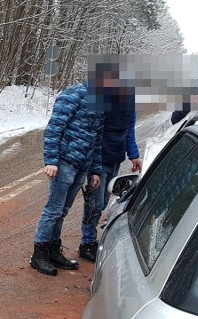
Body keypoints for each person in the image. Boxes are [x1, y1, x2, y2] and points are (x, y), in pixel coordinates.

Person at [30, 81, 103, 276]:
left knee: (62, 211)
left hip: (82, 165)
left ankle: (53, 250)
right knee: (53, 210)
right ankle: (39, 254)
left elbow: (97, 138)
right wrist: (51, 161)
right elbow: (54, 127)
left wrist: (94, 170)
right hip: (63, 162)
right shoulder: (73, 94)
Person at [78, 89, 142, 263]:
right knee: (94, 203)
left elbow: (129, 131)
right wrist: (94, 168)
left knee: (103, 202)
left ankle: (90, 240)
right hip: (99, 159)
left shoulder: (130, 104)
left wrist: (134, 155)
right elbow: (94, 135)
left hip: (115, 159)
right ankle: (87, 243)